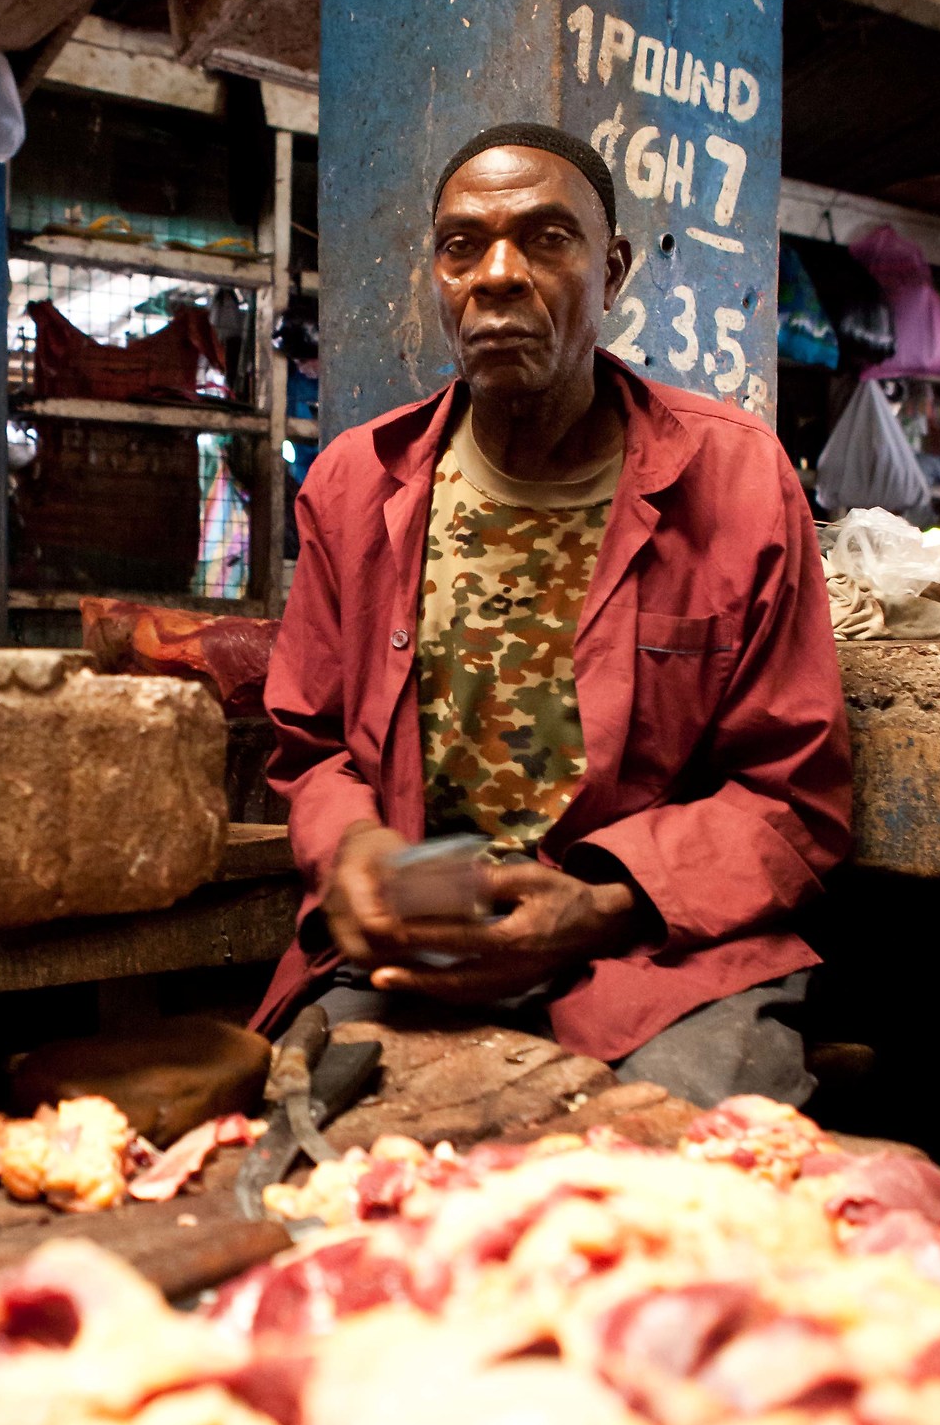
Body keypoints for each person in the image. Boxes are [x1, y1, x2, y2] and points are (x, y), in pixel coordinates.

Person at [254, 123, 851, 1107]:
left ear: (610, 270)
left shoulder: (735, 476)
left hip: (652, 954)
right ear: (436, 278)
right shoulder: (357, 483)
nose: (497, 274)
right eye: (462, 245)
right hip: (419, 946)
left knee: (674, 1183)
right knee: (315, 1162)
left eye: (545, 238)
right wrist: (352, 848)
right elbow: (311, 747)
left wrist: (606, 906)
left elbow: (791, 797)